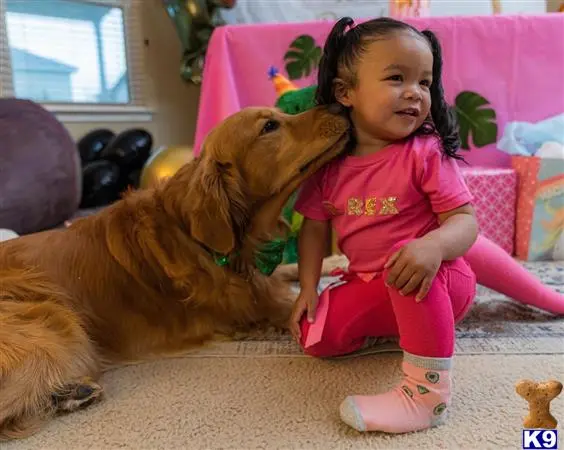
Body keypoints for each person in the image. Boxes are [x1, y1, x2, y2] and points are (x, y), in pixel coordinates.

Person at [289, 16, 564, 434]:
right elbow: (312, 227)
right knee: (314, 337)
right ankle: (410, 329)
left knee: (411, 262)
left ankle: (425, 396)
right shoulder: (329, 167)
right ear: (346, 92)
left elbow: (465, 225)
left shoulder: (425, 152)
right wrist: (309, 288)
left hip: (436, 277)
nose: (415, 94)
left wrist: (433, 246)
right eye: (397, 78)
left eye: (425, 83)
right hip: (370, 278)